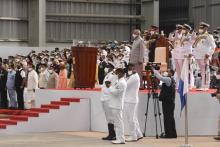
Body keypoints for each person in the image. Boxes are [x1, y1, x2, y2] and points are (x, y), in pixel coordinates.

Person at [153, 68, 177, 138]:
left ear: (171, 73)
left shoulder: (168, 79)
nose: (166, 72)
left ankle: (168, 134)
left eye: (168, 71)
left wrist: (154, 70)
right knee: (170, 118)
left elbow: (160, 78)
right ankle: (172, 133)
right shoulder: (171, 80)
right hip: (170, 102)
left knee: (167, 118)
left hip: (168, 102)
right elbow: (162, 86)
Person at [193, 22, 216, 90]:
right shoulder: (199, 36)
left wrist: (208, 54)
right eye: (200, 28)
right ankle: (203, 85)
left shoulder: (209, 36)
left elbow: (213, 47)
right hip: (198, 56)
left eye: (201, 28)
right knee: (202, 71)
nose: (200, 29)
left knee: (206, 71)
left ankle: (206, 85)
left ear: (205, 28)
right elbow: (195, 46)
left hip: (205, 56)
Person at [123, 63, 143, 142]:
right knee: (133, 117)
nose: (130, 70)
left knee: (130, 118)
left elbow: (125, 85)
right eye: (129, 68)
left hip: (130, 100)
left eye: (132, 68)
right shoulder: (132, 76)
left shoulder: (134, 77)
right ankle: (138, 133)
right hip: (131, 100)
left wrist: (123, 78)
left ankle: (133, 135)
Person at [108, 67, 127, 144]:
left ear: (121, 73)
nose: (116, 74)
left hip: (117, 105)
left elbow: (116, 93)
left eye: (118, 73)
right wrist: (111, 87)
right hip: (115, 104)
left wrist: (110, 88)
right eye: (116, 73)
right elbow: (113, 89)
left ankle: (121, 138)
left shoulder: (122, 83)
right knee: (117, 122)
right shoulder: (118, 81)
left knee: (119, 122)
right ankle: (119, 137)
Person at [100, 63, 117, 140]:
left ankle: (113, 134)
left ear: (111, 67)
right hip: (104, 98)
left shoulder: (113, 75)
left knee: (110, 117)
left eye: (107, 66)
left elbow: (109, 85)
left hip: (108, 99)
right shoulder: (107, 74)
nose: (106, 68)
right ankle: (110, 134)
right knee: (108, 117)